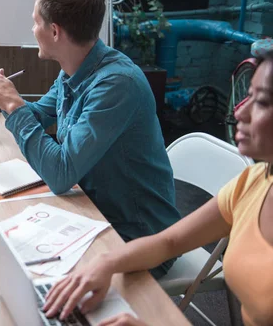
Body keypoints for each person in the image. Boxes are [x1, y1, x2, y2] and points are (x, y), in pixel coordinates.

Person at [0, 0, 181, 278]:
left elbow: (60, 173)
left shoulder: (116, 85)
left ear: (55, 32)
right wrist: (4, 96)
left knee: (19, 270)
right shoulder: (77, 68)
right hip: (92, 212)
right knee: (1, 245)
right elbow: (41, 113)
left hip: (137, 237)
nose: (32, 29)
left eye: (35, 22)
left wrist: (13, 104)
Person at [42, 52, 273, 326]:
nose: (239, 111)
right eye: (247, 95)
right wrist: (106, 262)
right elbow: (170, 242)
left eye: (262, 101)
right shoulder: (254, 181)